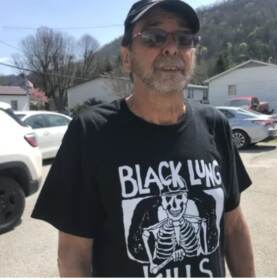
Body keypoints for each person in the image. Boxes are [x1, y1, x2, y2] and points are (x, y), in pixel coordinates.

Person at [31, 0, 255, 277]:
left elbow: (232, 227)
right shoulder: (91, 133)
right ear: (126, 58)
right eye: (154, 37)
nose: (172, 48)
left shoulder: (215, 125)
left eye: (184, 39)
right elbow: (73, 254)